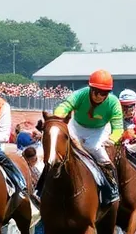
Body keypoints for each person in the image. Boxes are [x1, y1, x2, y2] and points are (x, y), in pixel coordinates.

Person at [50, 70, 123, 205]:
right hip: (76, 126)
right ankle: (40, 188)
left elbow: (118, 128)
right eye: (96, 91)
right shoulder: (80, 94)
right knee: (53, 152)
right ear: (90, 88)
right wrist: (58, 118)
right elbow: (64, 106)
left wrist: (112, 139)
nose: (99, 96)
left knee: (94, 148)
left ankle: (111, 188)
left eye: (104, 93)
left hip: (99, 130)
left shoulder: (113, 102)